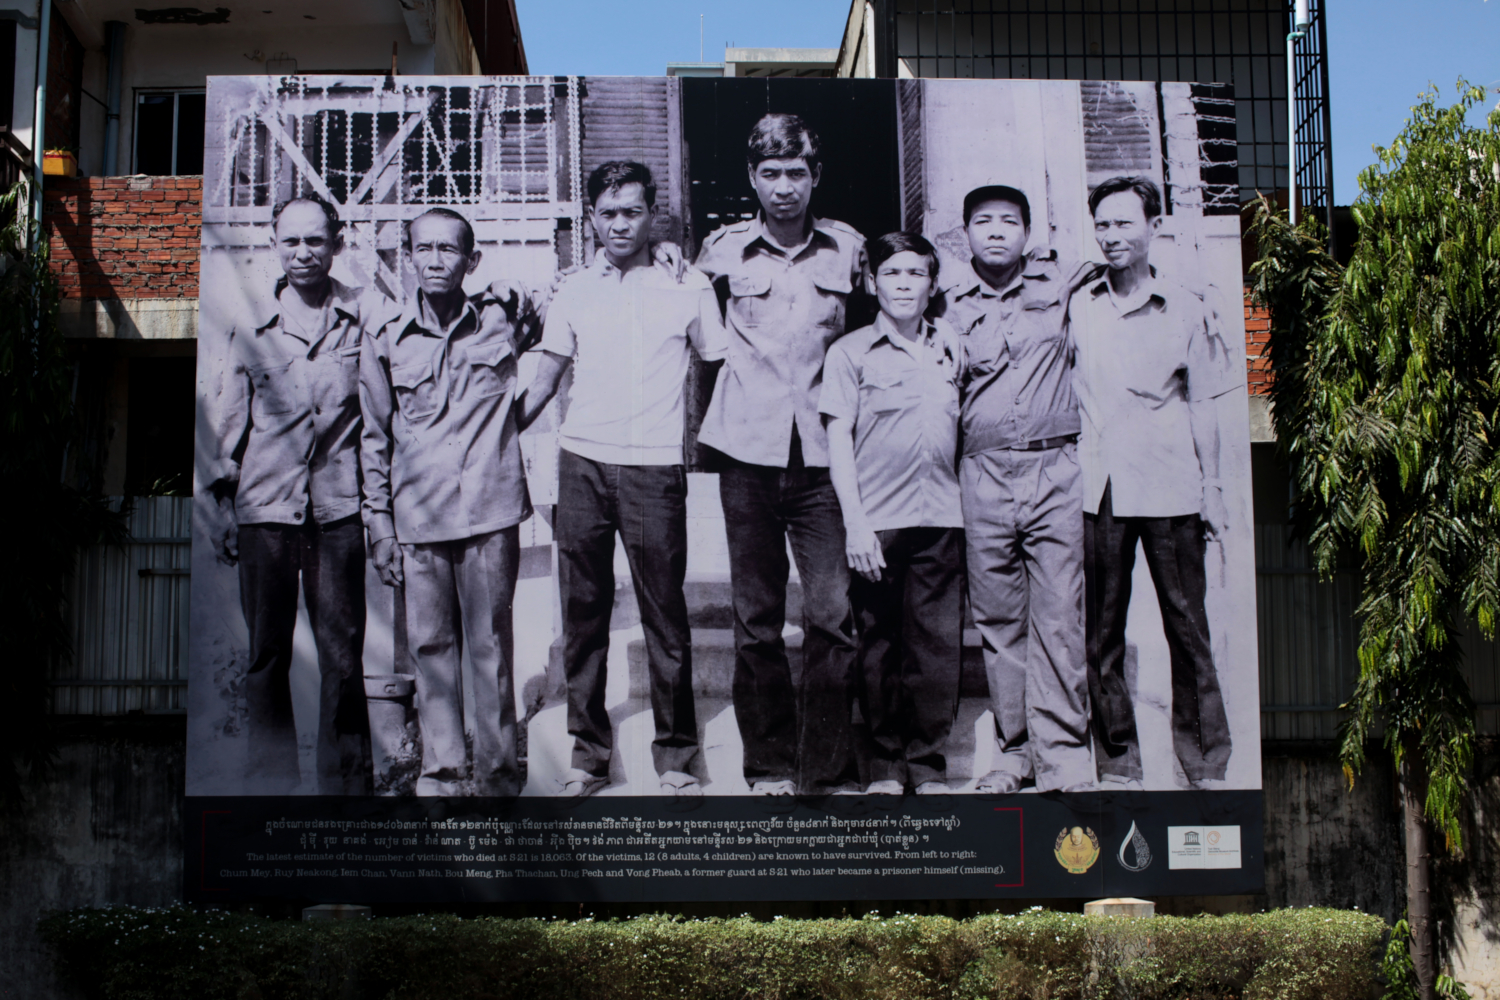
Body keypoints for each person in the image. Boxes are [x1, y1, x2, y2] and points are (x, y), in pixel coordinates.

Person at [517, 161, 727, 799]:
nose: (618, 224)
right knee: (583, 613)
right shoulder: (573, 288)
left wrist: (700, 445)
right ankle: (588, 755)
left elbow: (716, 364)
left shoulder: (687, 283)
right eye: (607, 213)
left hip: (653, 467)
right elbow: (549, 371)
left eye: (631, 212)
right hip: (579, 461)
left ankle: (676, 757)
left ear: (651, 215)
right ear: (590, 219)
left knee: (665, 615)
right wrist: (497, 428)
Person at [694, 113, 866, 795]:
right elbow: (691, 327)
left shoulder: (849, 251)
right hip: (747, 454)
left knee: (831, 614)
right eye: (771, 173)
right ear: (752, 177)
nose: (784, 187)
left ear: (815, 176)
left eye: (797, 173)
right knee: (756, 619)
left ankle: (825, 768)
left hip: (824, 459)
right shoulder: (721, 253)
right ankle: (767, 764)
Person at [359, 207, 539, 797]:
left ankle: (496, 777)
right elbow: (373, 436)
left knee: (491, 647)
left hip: (490, 511)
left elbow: (563, 313)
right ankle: (441, 772)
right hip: (418, 518)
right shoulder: (385, 338)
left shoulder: (501, 320)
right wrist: (380, 526)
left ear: (472, 260)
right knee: (430, 648)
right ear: (406, 257)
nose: (435, 259)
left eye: (449, 250)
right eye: (424, 249)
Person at [1071, 175, 1241, 790]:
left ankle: (1204, 761)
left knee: (1187, 629)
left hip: (1171, 488)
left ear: (1153, 227)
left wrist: (1213, 489)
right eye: (1104, 225)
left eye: (1124, 223)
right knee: (1102, 634)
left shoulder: (1187, 308)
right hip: (1100, 490)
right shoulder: (1078, 304)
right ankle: (1118, 762)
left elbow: (1202, 405)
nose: (1112, 236)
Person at [209, 194, 375, 795]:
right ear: (275, 244)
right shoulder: (251, 327)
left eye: (315, 241)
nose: (303, 253)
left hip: (338, 513)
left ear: (337, 243)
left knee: (342, 654)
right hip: (265, 512)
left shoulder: (366, 319)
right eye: (291, 241)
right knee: (266, 656)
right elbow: (228, 426)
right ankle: (270, 783)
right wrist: (222, 508)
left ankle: (347, 791)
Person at [938, 184, 1095, 794]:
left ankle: (1064, 755)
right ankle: (1015, 751)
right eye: (983, 221)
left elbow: (1118, 253)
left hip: (1053, 468)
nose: (997, 230)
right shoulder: (945, 303)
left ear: (1029, 233)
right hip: (981, 473)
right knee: (1000, 620)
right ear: (966, 234)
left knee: (1058, 614)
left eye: (1010, 220)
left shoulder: (1060, 285)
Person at [820, 232, 963, 796]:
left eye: (916, 274)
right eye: (893, 274)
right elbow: (836, 441)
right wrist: (854, 522)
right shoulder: (849, 353)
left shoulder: (952, 348)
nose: (905, 285)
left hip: (942, 518)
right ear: (872, 282)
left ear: (933, 285)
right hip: (878, 521)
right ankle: (882, 764)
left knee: (935, 650)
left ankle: (927, 766)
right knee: (876, 645)